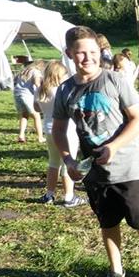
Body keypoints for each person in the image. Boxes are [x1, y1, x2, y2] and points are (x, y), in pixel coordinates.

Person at [52, 25, 139, 277]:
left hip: (130, 169)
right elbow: (58, 130)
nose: (88, 57)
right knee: (107, 222)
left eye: (93, 51)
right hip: (95, 173)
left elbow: (138, 119)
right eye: (81, 52)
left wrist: (114, 147)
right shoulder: (65, 91)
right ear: (69, 54)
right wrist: (68, 160)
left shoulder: (115, 80)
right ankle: (116, 270)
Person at [34, 60, 85, 208]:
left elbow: (36, 108)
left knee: (53, 163)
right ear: (59, 75)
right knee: (68, 163)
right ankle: (69, 196)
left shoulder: (41, 90)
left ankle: (49, 194)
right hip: (66, 131)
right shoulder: (63, 90)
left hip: (49, 130)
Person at [13, 60, 45, 143]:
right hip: (27, 95)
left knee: (24, 115)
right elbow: (37, 83)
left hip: (17, 94)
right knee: (36, 116)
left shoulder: (23, 71)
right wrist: (42, 92)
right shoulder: (36, 71)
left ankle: (21, 135)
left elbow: (14, 81)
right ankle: (40, 137)